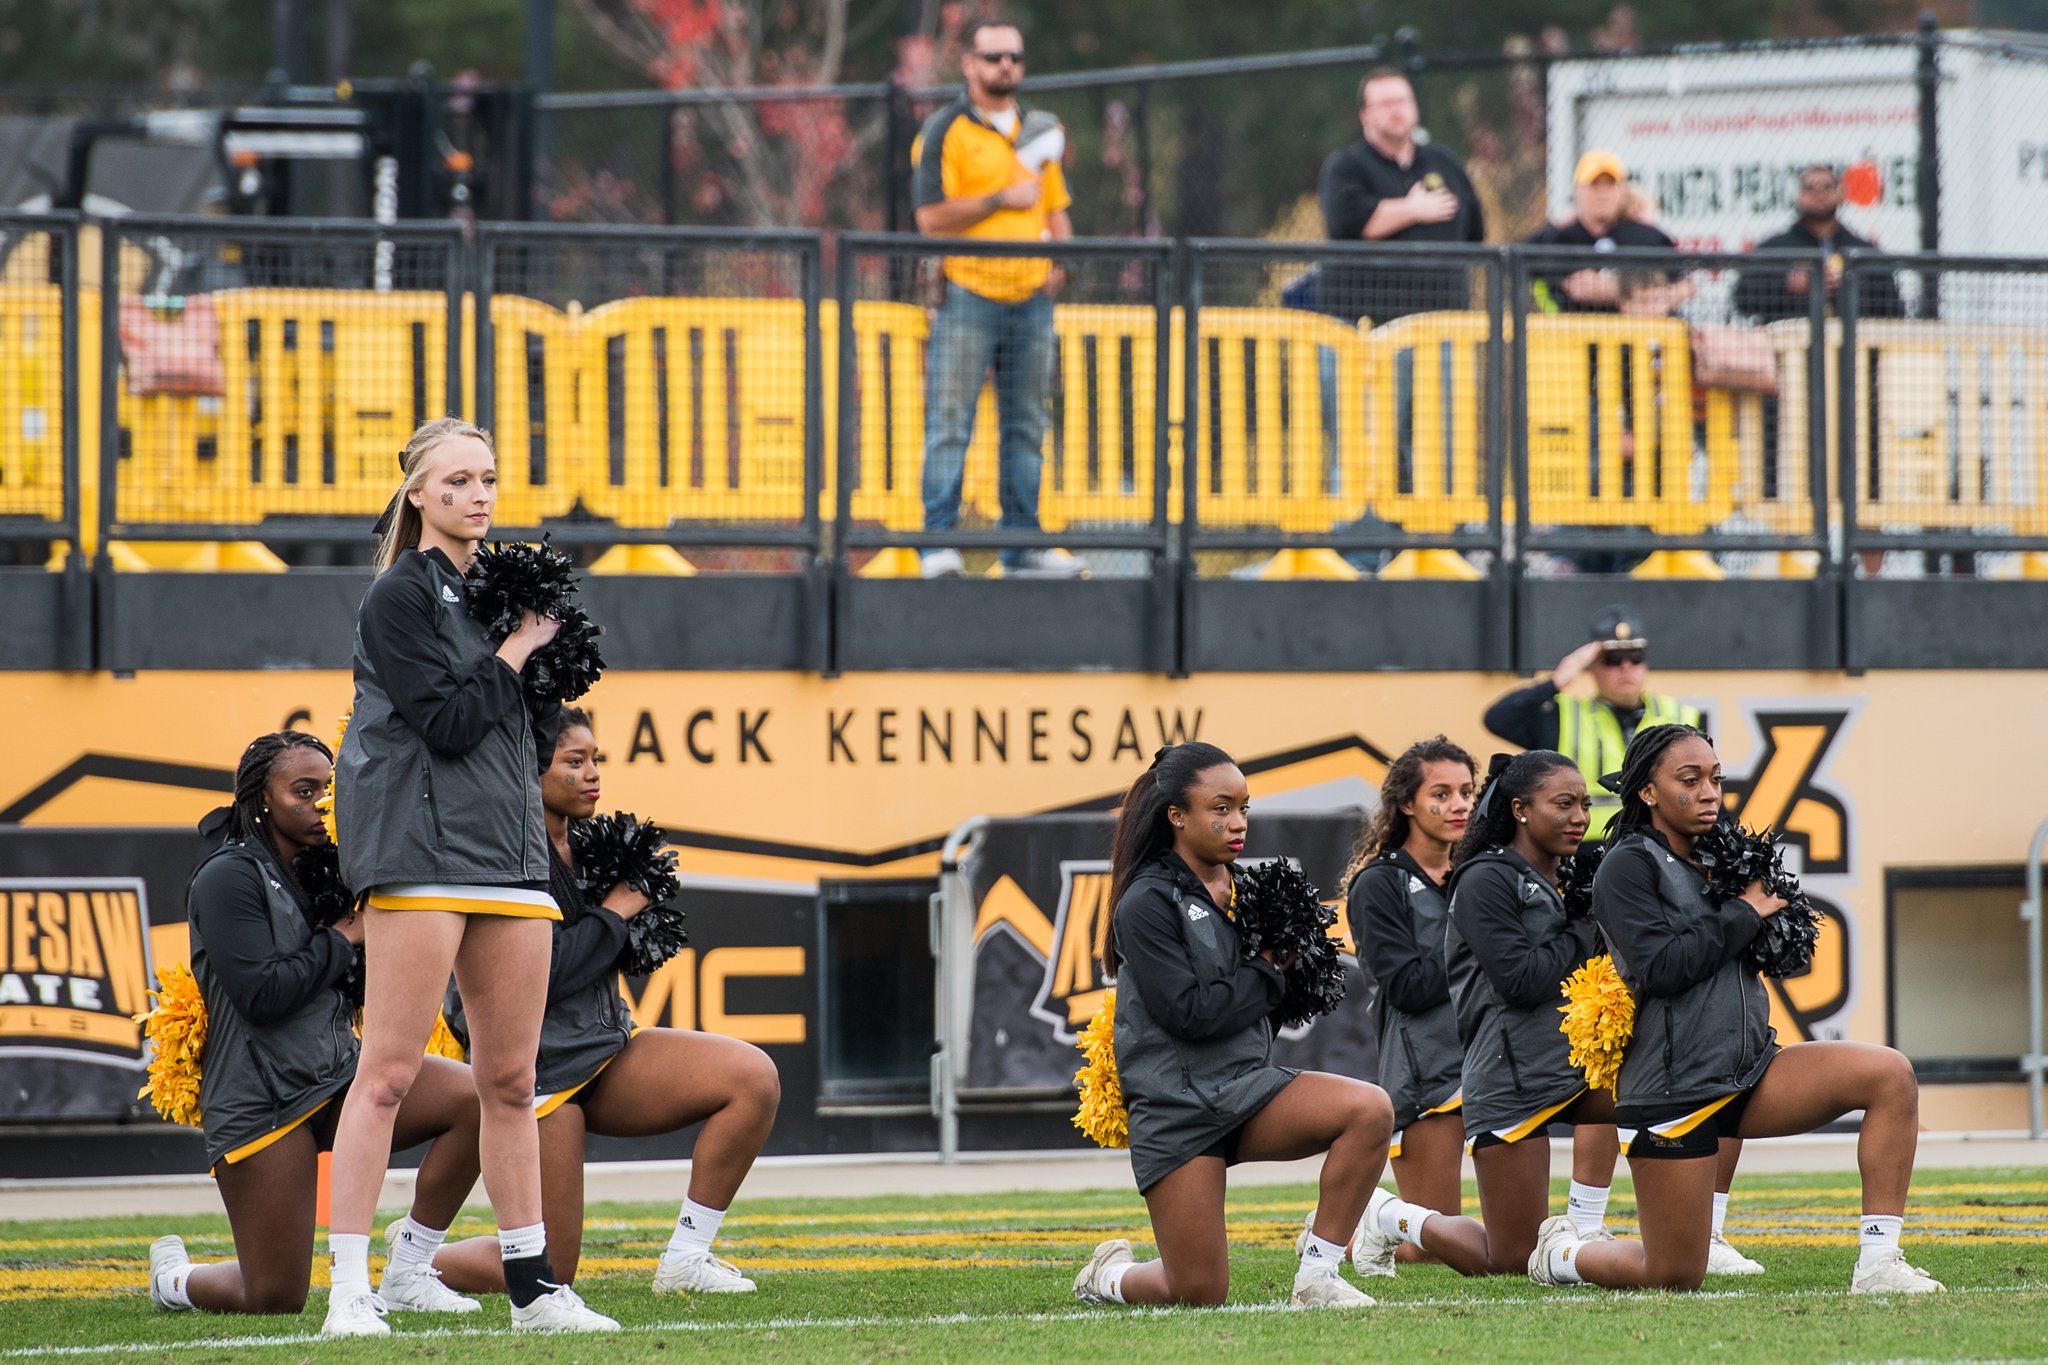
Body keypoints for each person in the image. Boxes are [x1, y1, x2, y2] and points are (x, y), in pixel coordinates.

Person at [324, 417, 616, 1336]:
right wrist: (518, 651)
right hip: (420, 852)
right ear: (417, 494)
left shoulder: (496, 591)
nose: (478, 496)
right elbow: (447, 724)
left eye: (487, 479)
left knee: (511, 1079)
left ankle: (534, 1292)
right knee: (389, 1073)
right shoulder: (398, 597)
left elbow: (520, 736)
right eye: (455, 482)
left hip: (510, 853)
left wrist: (537, 654)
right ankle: (349, 1291)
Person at [1532, 724, 1942, 1295]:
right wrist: (1746, 913)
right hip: (1672, 1088)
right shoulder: (1627, 866)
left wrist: (1781, 919)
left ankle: (1879, 1264)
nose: (1708, 792)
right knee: (1673, 1274)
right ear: (1647, 791)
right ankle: (1566, 1255)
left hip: (1749, 1070)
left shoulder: (1720, 857)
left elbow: (1774, 955)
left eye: (1716, 779)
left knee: (1889, 1075)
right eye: (1689, 779)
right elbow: (1663, 969)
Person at [433, 709, 781, 1295]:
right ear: (529, 769)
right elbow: (540, 974)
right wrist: (618, 912)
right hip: (537, 1079)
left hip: (607, 1049)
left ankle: (686, 1260)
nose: (593, 774)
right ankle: (419, 1263)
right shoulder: (499, 853)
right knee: (553, 1272)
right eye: (575, 762)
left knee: (752, 1078)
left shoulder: (587, 845)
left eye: (596, 760)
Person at [147, 732, 484, 1320]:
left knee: (477, 1100)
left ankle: (410, 1266)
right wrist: (343, 938)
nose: (322, 804)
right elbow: (261, 994)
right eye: (304, 791)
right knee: (275, 1296)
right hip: (261, 1099)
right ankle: (178, 1279)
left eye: (330, 789)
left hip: (340, 1076)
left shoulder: (333, 869)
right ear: (262, 800)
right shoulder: (228, 877)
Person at [1071, 742, 1394, 1309]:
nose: (1237, 822)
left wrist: (1302, 967)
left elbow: (1272, 999)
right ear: (1177, 816)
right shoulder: (1146, 901)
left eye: (1244, 807)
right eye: (1220, 809)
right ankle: (1109, 1276)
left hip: (1245, 1089)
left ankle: (1319, 1275)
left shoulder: (1251, 890)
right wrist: (1270, 967)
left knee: (1368, 1110)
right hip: (1177, 1108)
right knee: (1197, 1292)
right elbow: (1190, 1013)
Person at [1323, 750, 1615, 1279]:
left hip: (1515, 1053)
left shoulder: (1508, 871)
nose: (1458, 804)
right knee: (1432, 1251)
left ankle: (1587, 1223)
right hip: (1429, 1071)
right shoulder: (1382, 883)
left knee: (1634, 1094)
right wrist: (1479, 944)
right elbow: (1408, 987)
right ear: (1406, 803)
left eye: (1465, 792)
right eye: (1441, 793)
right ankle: (1384, 1217)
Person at [910, 18, 1080, 580]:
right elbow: (931, 218)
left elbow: (1055, 209)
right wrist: (1000, 200)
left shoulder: (1041, 128)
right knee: (950, 421)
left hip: (1031, 300)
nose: (1005, 65)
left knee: (1028, 424)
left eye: (1014, 56)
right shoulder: (944, 130)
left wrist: (1061, 262)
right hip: (969, 296)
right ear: (969, 64)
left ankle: (1023, 545)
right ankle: (936, 543)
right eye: (993, 57)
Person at [1482, 605, 1702, 841]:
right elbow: (1498, 719)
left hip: (1661, 845)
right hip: (1586, 850)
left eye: (1635, 657)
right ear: (1592, 667)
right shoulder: (1564, 716)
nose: (1625, 666)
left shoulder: (1679, 716)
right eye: (1612, 658)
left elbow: (1703, 788)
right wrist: (1557, 682)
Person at [1316, 67, 1486, 324]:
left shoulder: (1443, 162)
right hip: (1362, 328)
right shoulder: (1346, 165)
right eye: (1385, 103)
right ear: (1365, 114)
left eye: (1402, 101)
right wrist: (1413, 209)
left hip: (1442, 323)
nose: (1396, 110)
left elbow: (1474, 230)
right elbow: (1350, 221)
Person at [1527, 151, 1693, 316]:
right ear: (1577, 190)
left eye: (1610, 185)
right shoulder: (1560, 238)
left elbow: (1687, 285)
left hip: (1639, 335)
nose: (1603, 194)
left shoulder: (1645, 235)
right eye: (1594, 185)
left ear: (1622, 190)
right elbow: (1516, 261)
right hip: (1573, 334)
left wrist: (1644, 296)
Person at [1733, 164, 1905, 323]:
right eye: (1810, 188)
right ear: (1799, 197)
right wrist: (1789, 284)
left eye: (1827, 187)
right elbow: (1742, 299)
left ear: (1840, 194)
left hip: (1856, 349)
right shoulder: (1774, 248)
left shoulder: (1863, 251)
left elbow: (1893, 310)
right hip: (1791, 347)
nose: (1819, 194)